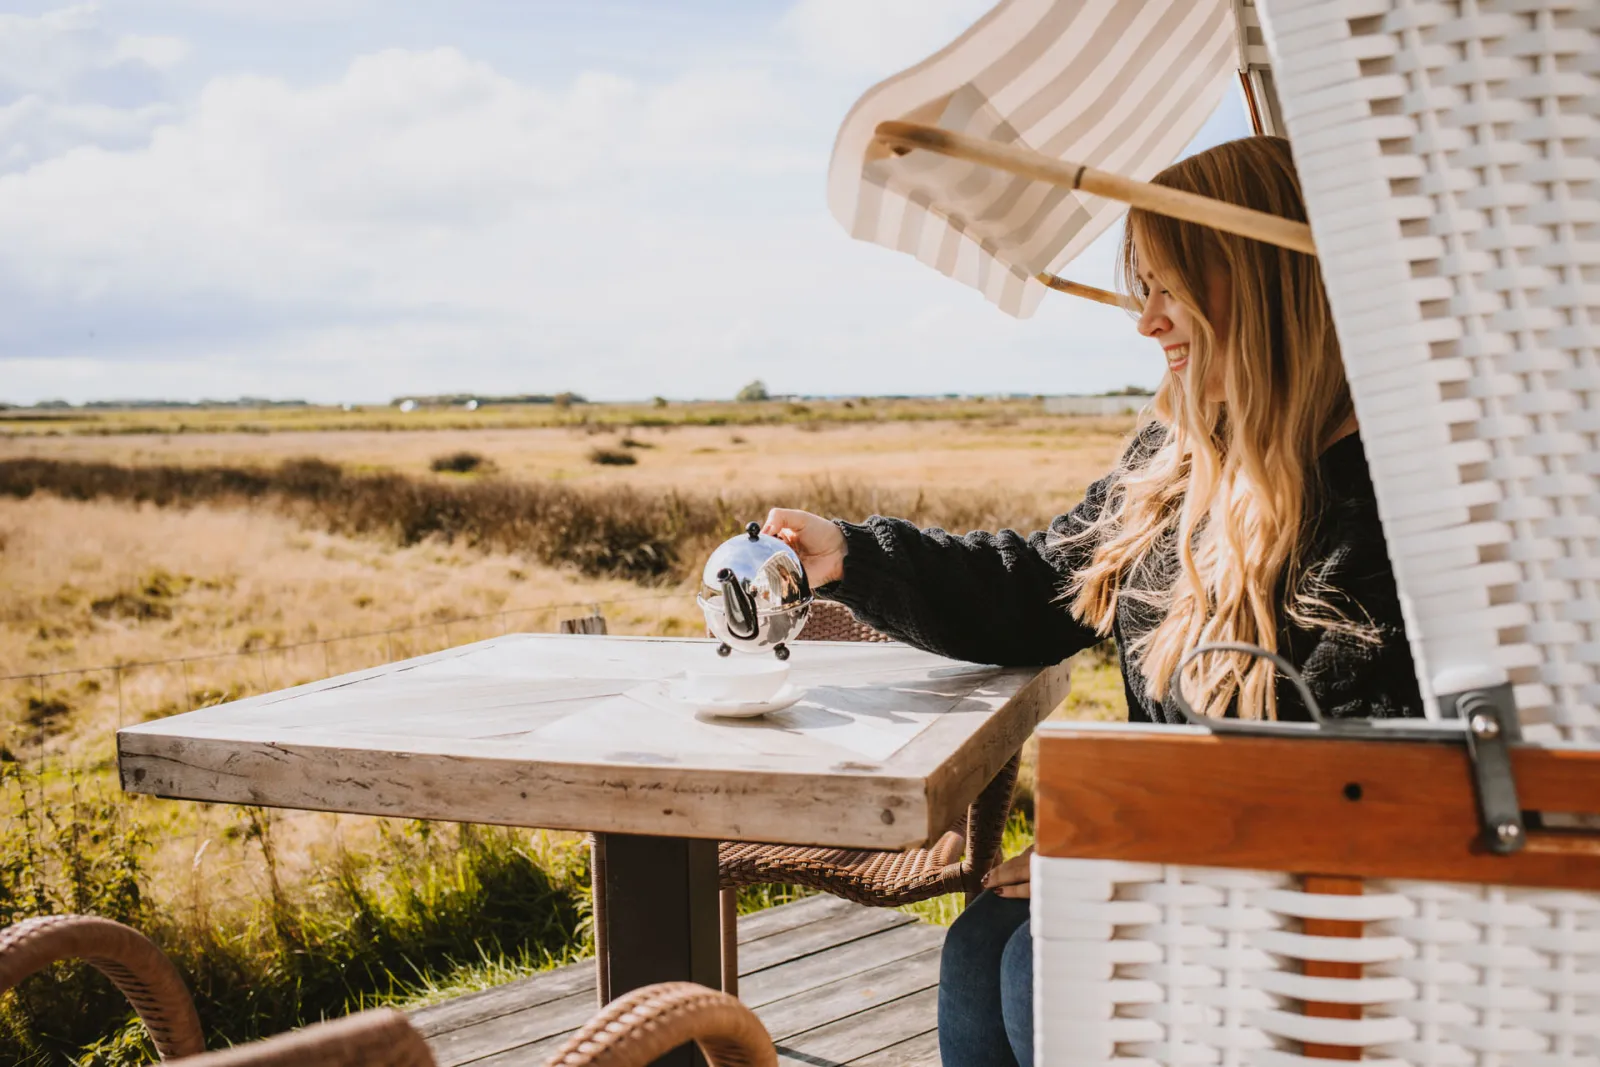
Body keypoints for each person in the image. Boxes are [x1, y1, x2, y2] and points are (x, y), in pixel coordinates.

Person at [761, 135, 1424, 1067]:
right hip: (1184, 853)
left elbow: (1366, 775)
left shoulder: (1392, 505)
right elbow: (1038, 583)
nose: (1147, 322)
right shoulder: (1176, 463)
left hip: (1318, 898)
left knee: (1046, 957)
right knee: (983, 938)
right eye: (1140, 287)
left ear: (1270, 278)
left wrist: (1132, 849)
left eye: (1171, 285)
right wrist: (853, 556)